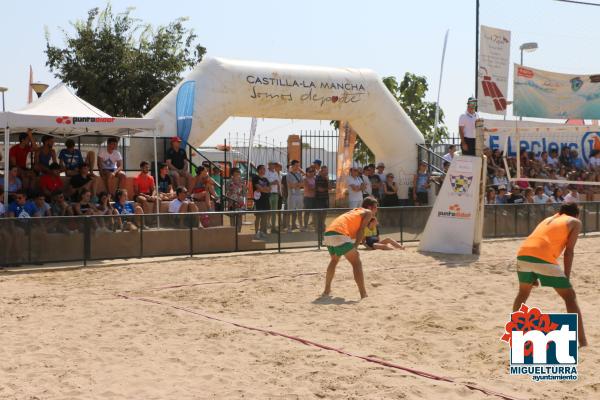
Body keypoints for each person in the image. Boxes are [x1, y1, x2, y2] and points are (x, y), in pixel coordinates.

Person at [511, 203, 587, 347]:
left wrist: (534, 275)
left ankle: (516, 332)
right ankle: (582, 342)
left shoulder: (549, 219)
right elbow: (569, 252)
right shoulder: (575, 222)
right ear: (576, 214)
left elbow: (540, 239)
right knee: (569, 297)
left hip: (523, 253)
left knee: (522, 293)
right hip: (542, 256)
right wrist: (567, 277)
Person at [322, 196, 378, 299]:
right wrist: (356, 246)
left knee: (334, 260)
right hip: (339, 234)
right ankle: (363, 294)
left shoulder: (355, 211)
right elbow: (361, 230)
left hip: (328, 234)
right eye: (376, 207)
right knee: (356, 262)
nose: (377, 210)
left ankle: (327, 290)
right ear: (370, 207)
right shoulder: (368, 212)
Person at [252, 165, 271, 239]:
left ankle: (262, 231)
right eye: (262, 169)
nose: (264, 170)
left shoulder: (266, 179)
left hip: (266, 199)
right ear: (259, 170)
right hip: (259, 200)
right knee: (258, 217)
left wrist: (264, 189)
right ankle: (256, 232)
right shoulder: (255, 178)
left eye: (264, 169)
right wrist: (264, 189)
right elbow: (259, 188)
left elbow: (269, 189)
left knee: (264, 217)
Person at [286, 160, 304, 232]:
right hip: (292, 196)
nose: (297, 167)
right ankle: (288, 227)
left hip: (299, 195)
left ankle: (301, 227)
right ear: (292, 166)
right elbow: (290, 185)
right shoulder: (288, 175)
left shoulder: (299, 174)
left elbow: (302, 184)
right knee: (290, 212)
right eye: (296, 165)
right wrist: (298, 184)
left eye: (298, 165)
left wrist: (296, 185)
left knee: (300, 211)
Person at [266, 161, 281, 233]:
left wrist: (278, 192)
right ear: (269, 165)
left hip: (275, 194)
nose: (273, 165)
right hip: (269, 194)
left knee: (274, 212)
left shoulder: (275, 173)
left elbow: (278, 183)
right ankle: (265, 227)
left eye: (274, 164)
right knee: (267, 211)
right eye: (272, 164)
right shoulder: (266, 172)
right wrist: (272, 183)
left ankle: (273, 228)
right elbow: (265, 183)